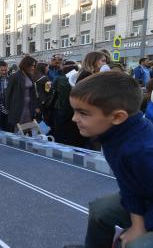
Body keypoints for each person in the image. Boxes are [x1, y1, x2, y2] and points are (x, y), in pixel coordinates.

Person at [65, 72, 153, 248]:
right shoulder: (114, 136)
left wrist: (141, 227)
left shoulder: (143, 152)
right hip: (145, 196)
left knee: (136, 245)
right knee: (100, 210)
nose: (74, 118)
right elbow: (128, 183)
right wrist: (137, 221)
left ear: (117, 117)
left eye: (83, 113)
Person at [5, 55, 39, 132]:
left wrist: (36, 106)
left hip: (28, 107)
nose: (33, 68)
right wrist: (8, 108)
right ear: (26, 65)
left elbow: (33, 93)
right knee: (18, 128)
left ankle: (27, 143)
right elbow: (8, 93)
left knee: (27, 128)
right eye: (32, 65)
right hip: (18, 107)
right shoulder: (15, 76)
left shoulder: (30, 76)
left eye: (34, 66)